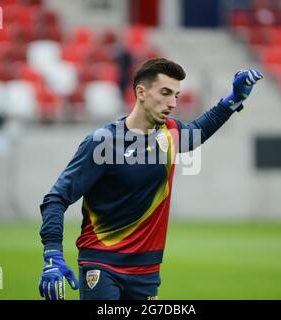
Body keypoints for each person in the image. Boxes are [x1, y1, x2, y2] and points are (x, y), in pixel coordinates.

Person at [38, 58, 263, 300]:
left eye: (176, 95)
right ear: (141, 92)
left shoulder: (171, 134)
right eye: (165, 93)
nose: (173, 103)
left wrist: (234, 98)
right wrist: (52, 254)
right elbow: (56, 198)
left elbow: (200, 130)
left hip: (146, 274)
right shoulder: (102, 142)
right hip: (102, 266)